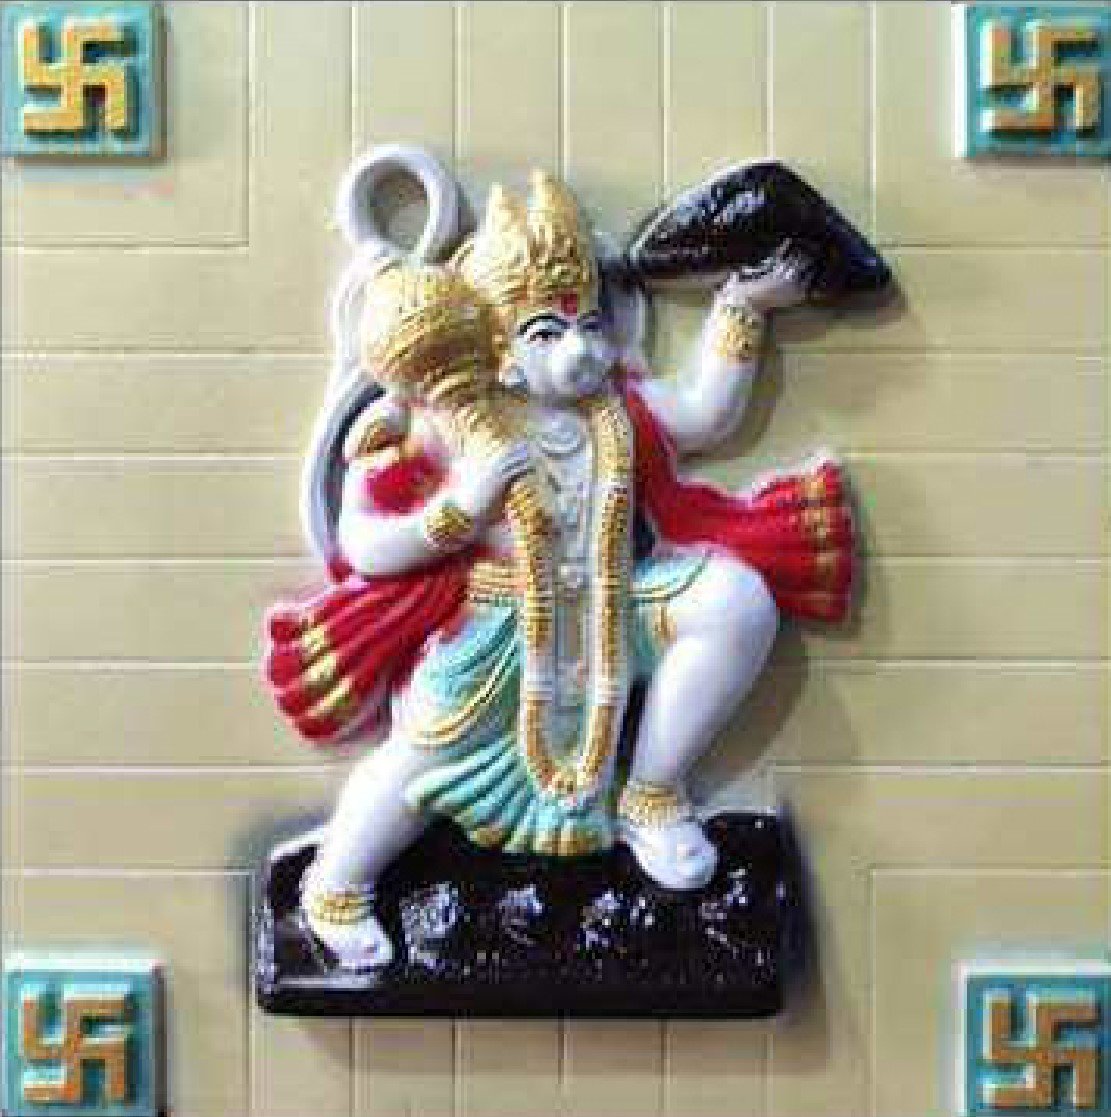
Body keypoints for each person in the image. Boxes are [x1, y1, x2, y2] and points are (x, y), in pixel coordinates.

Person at [264, 169, 854, 971]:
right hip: (496, 639)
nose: (582, 350)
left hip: (615, 611)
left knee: (732, 600)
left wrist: (740, 306)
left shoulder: (615, 413)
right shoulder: (442, 425)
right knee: (421, 760)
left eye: (589, 324)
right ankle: (337, 884)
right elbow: (363, 544)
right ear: (496, 349)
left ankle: (652, 792)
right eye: (546, 332)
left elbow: (706, 413)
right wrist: (457, 510)